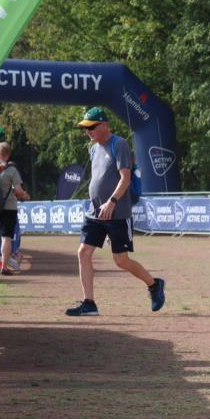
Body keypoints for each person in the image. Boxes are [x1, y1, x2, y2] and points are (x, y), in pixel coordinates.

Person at [66, 107, 165, 316]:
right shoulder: (93, 149)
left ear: (104, 125)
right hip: (95, 212)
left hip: (117, 212)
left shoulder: (118, 144)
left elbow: (125, 178)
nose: (88, 132)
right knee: (83, 252)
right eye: (85, 128)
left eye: (92, 127)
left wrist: (111, 201)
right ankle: (89, 303)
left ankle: (154, 284)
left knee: (121, 261)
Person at [0, 143, 30, 276]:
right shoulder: (11, 170)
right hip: (8, 207)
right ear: (8, 154)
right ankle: (4, 267)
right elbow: (18, 191)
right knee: (6, 237)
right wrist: (24, 195)